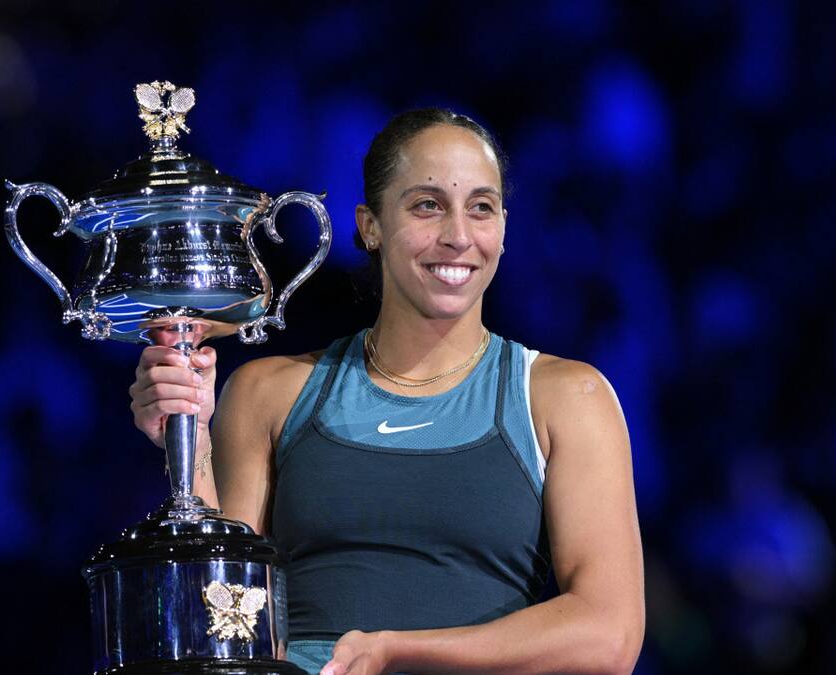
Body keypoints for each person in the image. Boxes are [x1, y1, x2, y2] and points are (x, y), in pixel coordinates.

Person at [129, 109, 645, 674]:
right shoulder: (267, 392)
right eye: (427, 205)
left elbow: (608, 634)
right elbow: (222, 617)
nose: (458, 236)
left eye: (481, 207)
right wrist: (189, 438)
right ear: (370, 225)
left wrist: (397, 649)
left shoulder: (567, 398)